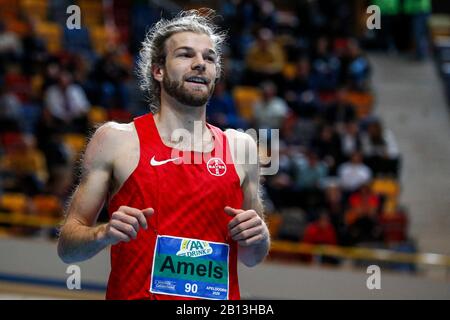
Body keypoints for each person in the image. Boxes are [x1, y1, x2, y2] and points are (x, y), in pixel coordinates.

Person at [57, 9, 270, 301]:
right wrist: (103, 233)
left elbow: (251, 256)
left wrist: (260, 236)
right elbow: (68, 249)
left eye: (209, 58)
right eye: (185, 55)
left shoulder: (240, 147)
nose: (200, 64)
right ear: (158, 70)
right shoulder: (116, 140)